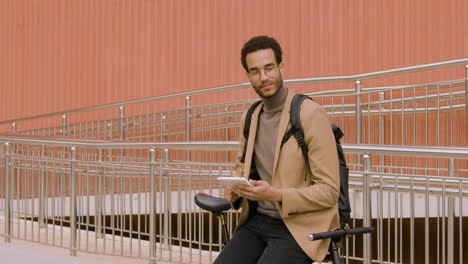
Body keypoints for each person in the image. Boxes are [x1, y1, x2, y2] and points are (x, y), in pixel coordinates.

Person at [213, 36, 340, 264]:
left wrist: (277, 195)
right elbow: (241, 169)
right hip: (259, 219)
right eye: (255, 71)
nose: (264, 77)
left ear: (281, 66)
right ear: (248, 76)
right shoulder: (250, 117)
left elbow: (330, 191)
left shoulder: (310, 114)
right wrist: (234, 192)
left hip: (300, 226)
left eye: (269, 68)